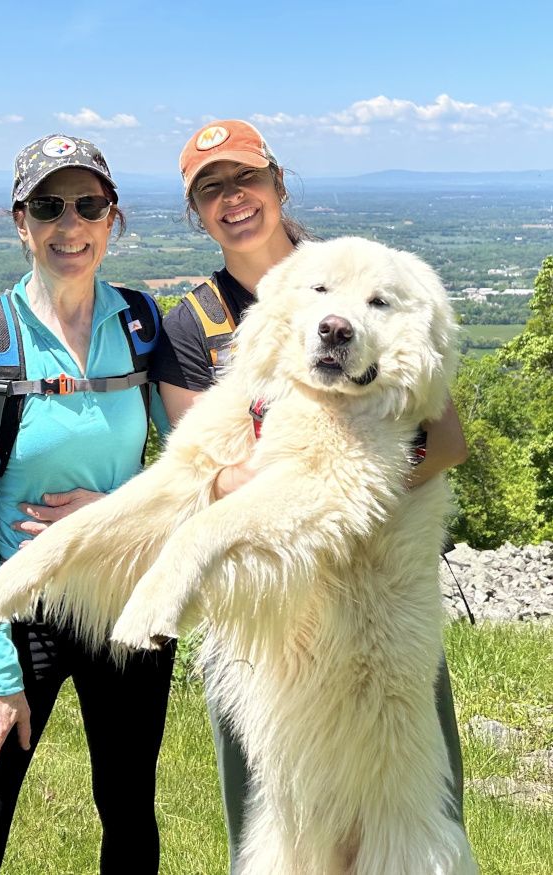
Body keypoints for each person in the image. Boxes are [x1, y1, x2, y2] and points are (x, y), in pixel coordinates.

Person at [148, 119, 470, 873]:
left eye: (246, 180)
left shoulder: (364, 279)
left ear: (278, 184)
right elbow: (211, 474)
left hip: (381, 605)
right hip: (270, 618)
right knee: (277, 826)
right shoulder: (193, 324)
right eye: (211, 190)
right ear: (196, 211)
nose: (233, 200)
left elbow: (448, 438)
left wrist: (338, 492)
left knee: (413, 819)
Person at [0, 133, 175, 875]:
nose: (71, 224)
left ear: (113, 218)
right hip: (17, 603)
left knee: (129, 816)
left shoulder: (141, 325)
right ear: (20, 221)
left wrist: (110, 513)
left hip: (123, 601)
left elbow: (197, 470)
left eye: (88, 204)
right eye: (48, 205)